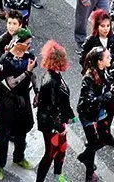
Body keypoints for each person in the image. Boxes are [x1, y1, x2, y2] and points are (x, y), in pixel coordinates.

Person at [0, 28, 36, 177]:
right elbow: (11, 84)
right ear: (18, 43)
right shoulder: (5, 60)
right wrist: (27, 72)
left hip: (24, 99)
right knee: (3, 135)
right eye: (27, 43)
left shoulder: (29, 56)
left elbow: (33, 77)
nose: (29, 46)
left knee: (22, 131)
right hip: (9, 101)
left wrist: (36, 93)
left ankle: (19, 157)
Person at [77, 47, 114, 181]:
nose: (110, 59)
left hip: (100, 111)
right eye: (107, 57)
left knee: (103, 139)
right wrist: (109, 94)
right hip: (88, 115)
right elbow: (89, 102)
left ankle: (86, 155)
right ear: (99, 61)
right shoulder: (88, 78)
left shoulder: (103, 70)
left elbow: (106, 84)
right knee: (93, 142)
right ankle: (89, 172)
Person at [36, 40, 75, 182]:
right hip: (51, 124)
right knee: (50, 153)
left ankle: (57, 175)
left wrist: (69, 116)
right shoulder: (52, 81)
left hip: (57, 121)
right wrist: (59, 127)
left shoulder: (54, 75)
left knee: (61, 148)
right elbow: (51, 108)